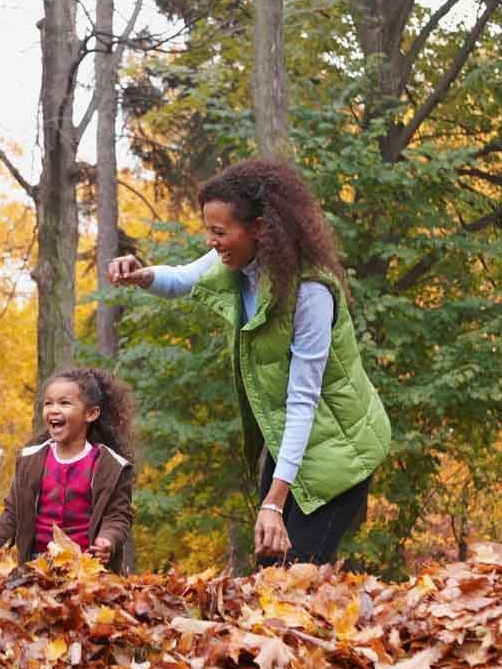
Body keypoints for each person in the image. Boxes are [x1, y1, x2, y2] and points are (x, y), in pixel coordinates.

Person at [107, 157, 390, 566]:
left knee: (295, 579)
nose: (211, 241)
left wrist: (274, 503)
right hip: (291, 440)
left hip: (340, 452)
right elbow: (183, 278)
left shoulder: (310, 293)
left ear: (259, 228)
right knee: (269, 572)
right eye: (209, 230)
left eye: (219, 231)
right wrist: (140, 274)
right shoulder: (241, 262)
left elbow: (302, 399)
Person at [0, 368, 135, 573]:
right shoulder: (31, 461)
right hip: (37, 567)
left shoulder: (109, 466)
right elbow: (11, 515)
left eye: (64, 403)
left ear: (91, 413)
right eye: (48, 403)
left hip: (86, 568)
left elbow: (118, 516)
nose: (53, 409)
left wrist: (108, 540)